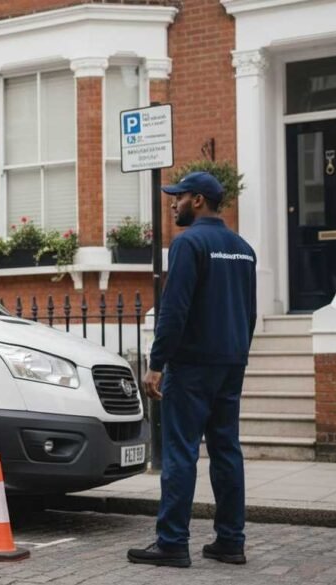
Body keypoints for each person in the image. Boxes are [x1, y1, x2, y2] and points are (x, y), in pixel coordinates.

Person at [127, 171, 257, 568]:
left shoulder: (188, 244)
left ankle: (172, 542)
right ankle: (231, 541)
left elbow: (174, 310)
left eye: (178, 196)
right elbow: (250, 311)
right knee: (226, 449)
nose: (172, 203)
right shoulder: (244, 249)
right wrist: (239, 353)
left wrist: (156, 364)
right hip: (230, 362)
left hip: (193, 365)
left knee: (180, 452)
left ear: (197, 200)